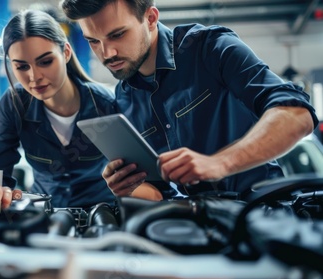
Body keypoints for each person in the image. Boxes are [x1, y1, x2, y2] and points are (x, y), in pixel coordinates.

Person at [61, 0, 318, 200]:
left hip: (262, 208)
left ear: (150, 18)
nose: (107, 53)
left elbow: (297, 113)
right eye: (93, 41)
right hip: (197, 224)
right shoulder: (125, 98)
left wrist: (220, 163)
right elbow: (162, 193)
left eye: (118, 35)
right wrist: (130, 186)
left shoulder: (212, 48)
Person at [0, 9, 120, 209]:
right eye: (22, 67)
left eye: (46, 62)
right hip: (45, 209)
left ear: (65, 52)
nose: (34, 77)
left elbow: (131, 166)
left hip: (101, 211)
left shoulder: (105, 104)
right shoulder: (14, 104)